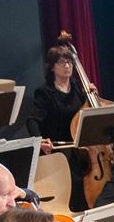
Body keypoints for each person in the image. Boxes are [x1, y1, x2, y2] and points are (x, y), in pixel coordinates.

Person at [26, 45, 90, 211]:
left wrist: (91, 96)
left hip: (80, 146)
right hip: (59, 149)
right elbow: (32, 120)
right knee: (75, 182)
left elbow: (86, 113)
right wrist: (39, 141)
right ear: (52, 67)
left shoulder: (77, 88)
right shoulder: (45, 92)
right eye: (61, 62)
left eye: (69, 62)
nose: (67, 66)